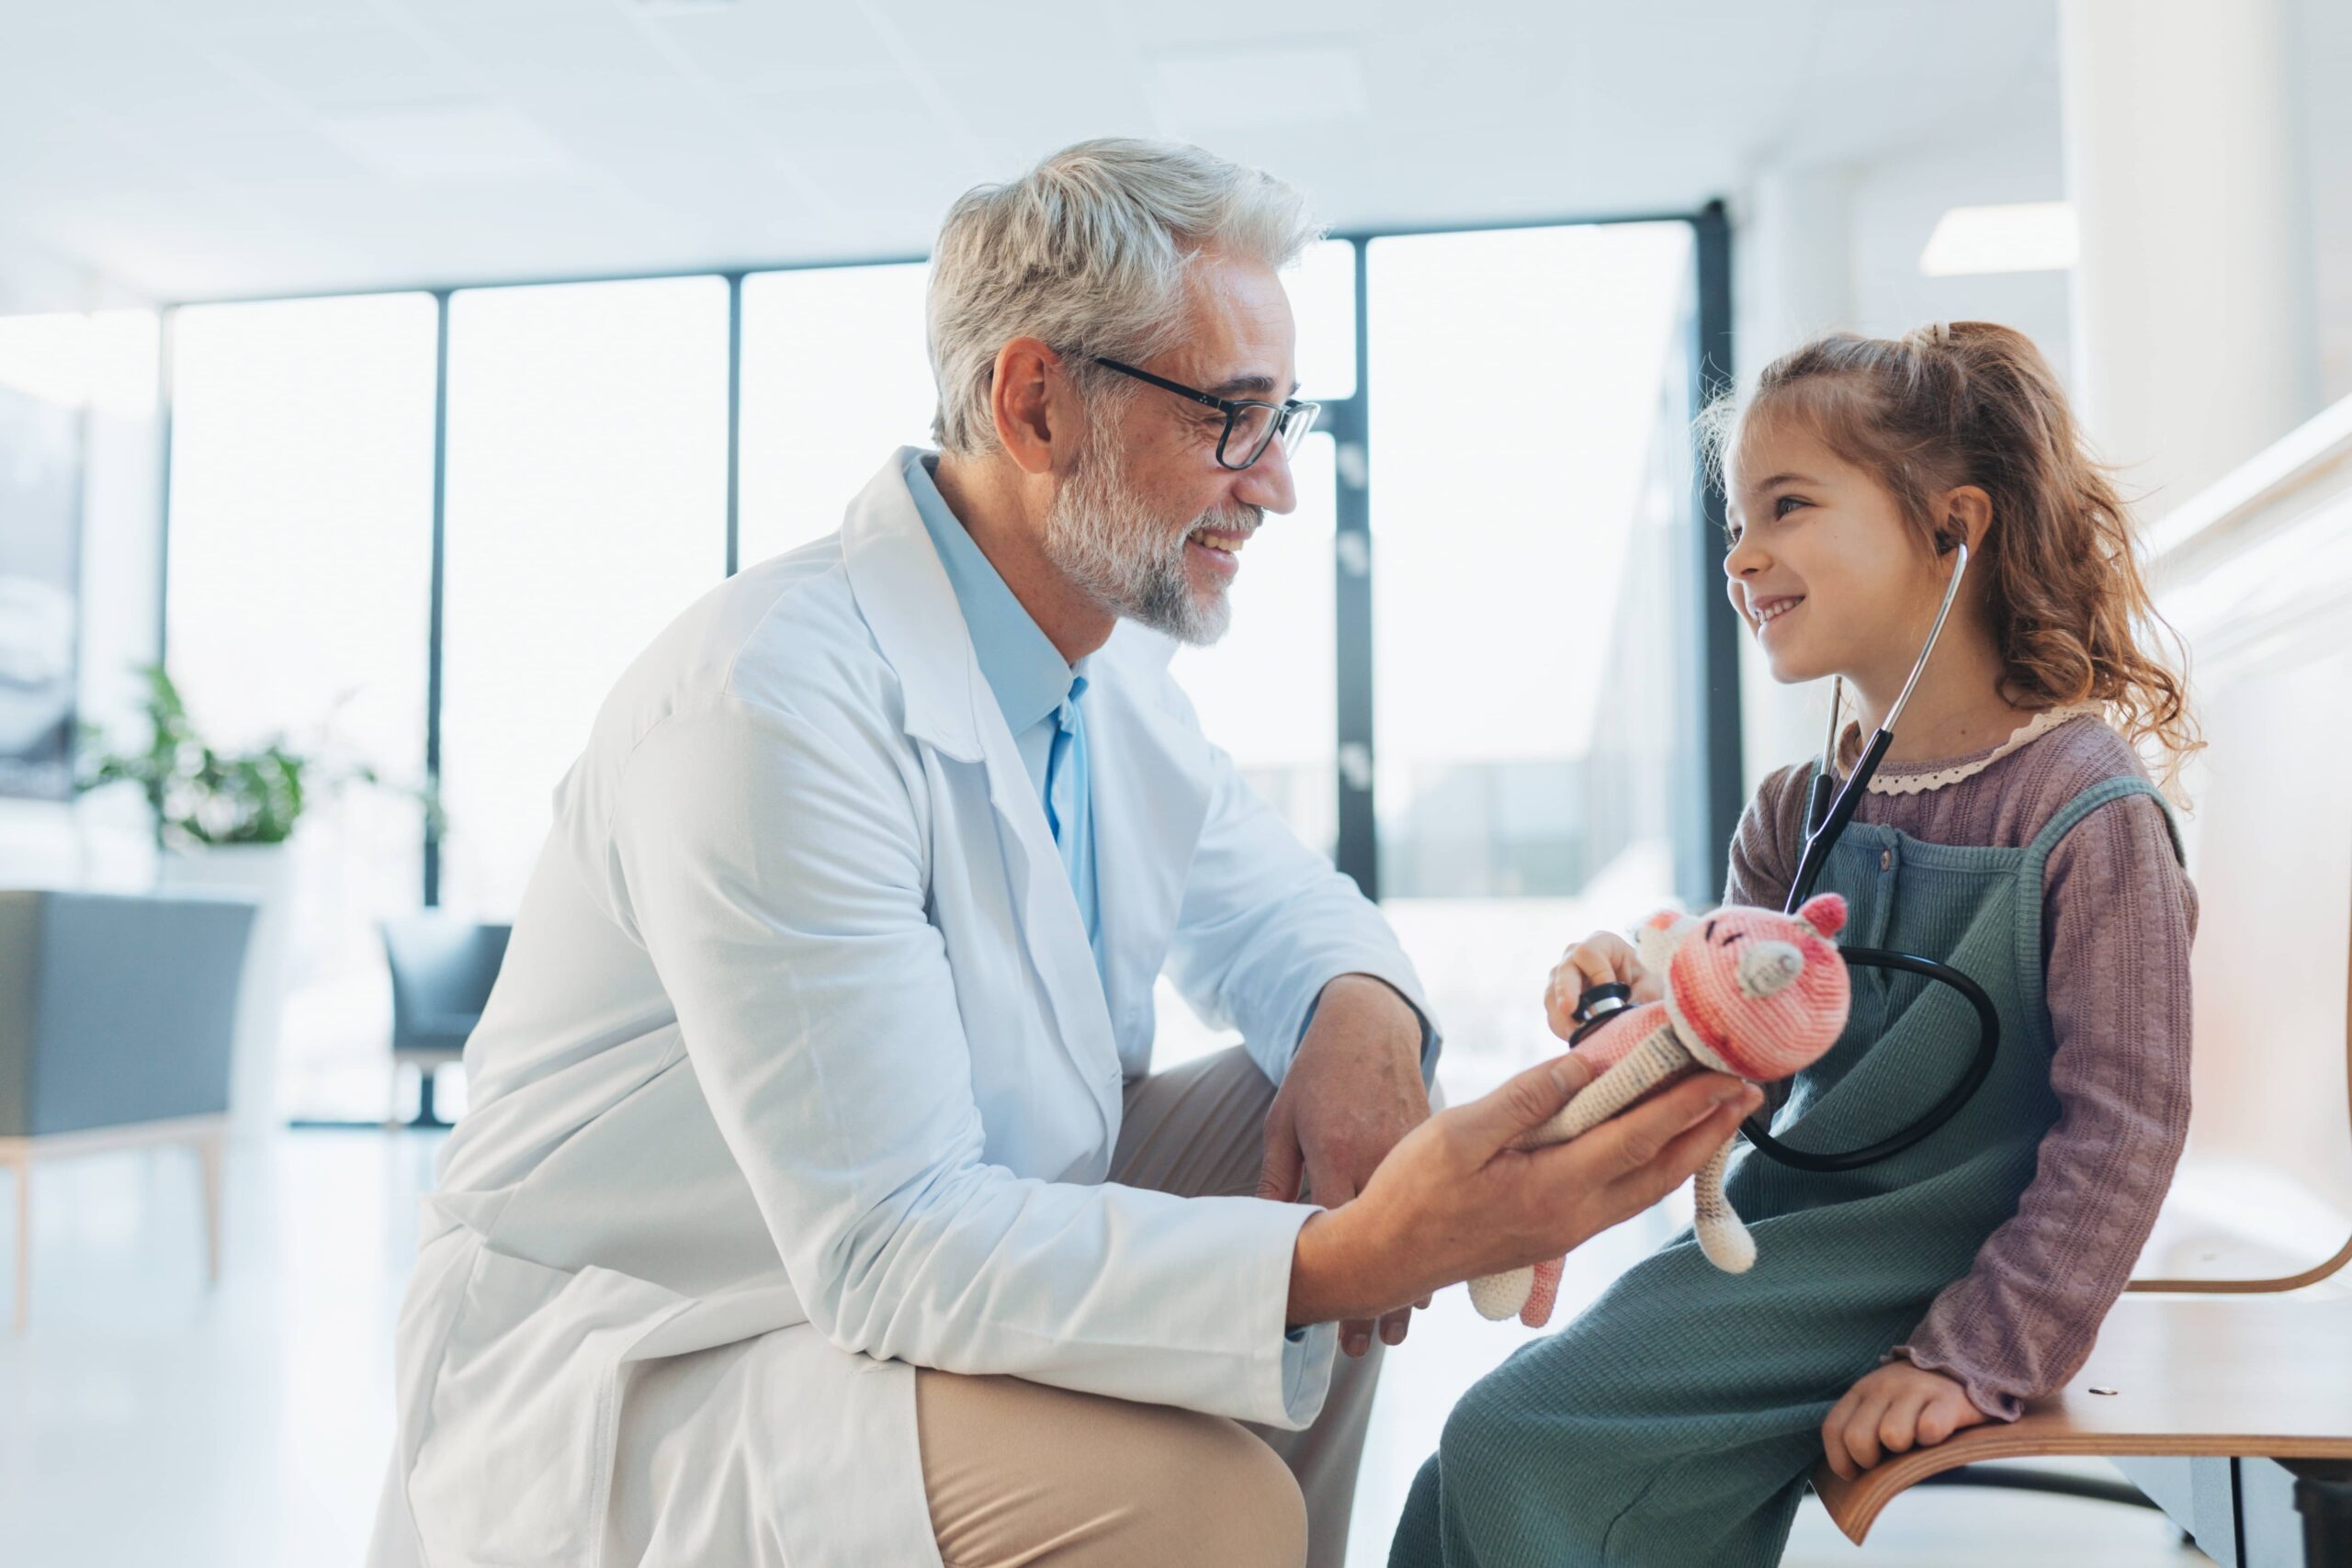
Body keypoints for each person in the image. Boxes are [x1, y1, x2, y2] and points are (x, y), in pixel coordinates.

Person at [368, 138, 1762, 1568]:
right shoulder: (769, 706)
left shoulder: (1103, 675)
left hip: (919, 1244)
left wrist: (1361, 1012)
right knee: (1212, 1498)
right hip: (678, 1347)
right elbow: (887, 1249)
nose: (1275, 484)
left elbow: (1279, 906)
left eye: (1288, 418)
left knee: (1315, 1131)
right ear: (1036, 403)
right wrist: (1359, 1254)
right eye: (1233, 415)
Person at [1392, 321, 2199, 1566]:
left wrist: (1979, 1349)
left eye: (1786, 506)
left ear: (1953, 529)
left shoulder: (2087, 815)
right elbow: (1718, 1044)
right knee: (1466, 1466)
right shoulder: (1796, 811)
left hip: (1933, 1269)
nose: (1741, 555)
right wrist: (1630, 1003)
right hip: (1781, 1245)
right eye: (1734, 519)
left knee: (1514, 1441)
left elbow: (2126, 1126)